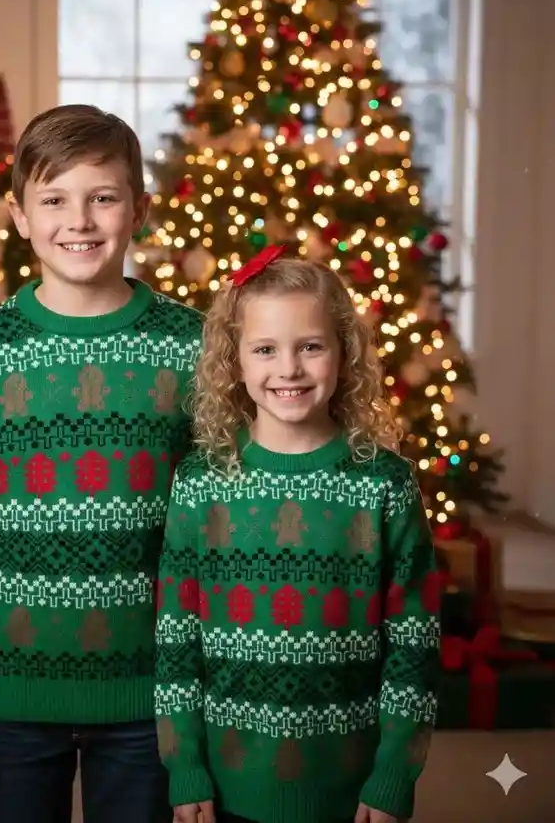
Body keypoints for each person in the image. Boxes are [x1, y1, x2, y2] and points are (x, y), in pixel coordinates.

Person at [0, 104, 204, 823]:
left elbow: (217, 525)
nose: (80, 220)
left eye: (103, 197)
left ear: (140, 209)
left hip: (150, 696)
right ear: (18, 215)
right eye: (54, 200)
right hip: (10, 691)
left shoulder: (191, 344)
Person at [155, 247, 440, 823]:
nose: (289, 369)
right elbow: (175, 639)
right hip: (226, 786)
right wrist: (184, 766)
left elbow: (415, 645)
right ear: (234, 362)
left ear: (344, 354)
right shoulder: (203, 483)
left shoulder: (384, 484)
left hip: (349, 786)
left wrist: (392, 776)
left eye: (310, 346)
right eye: (265, 350)